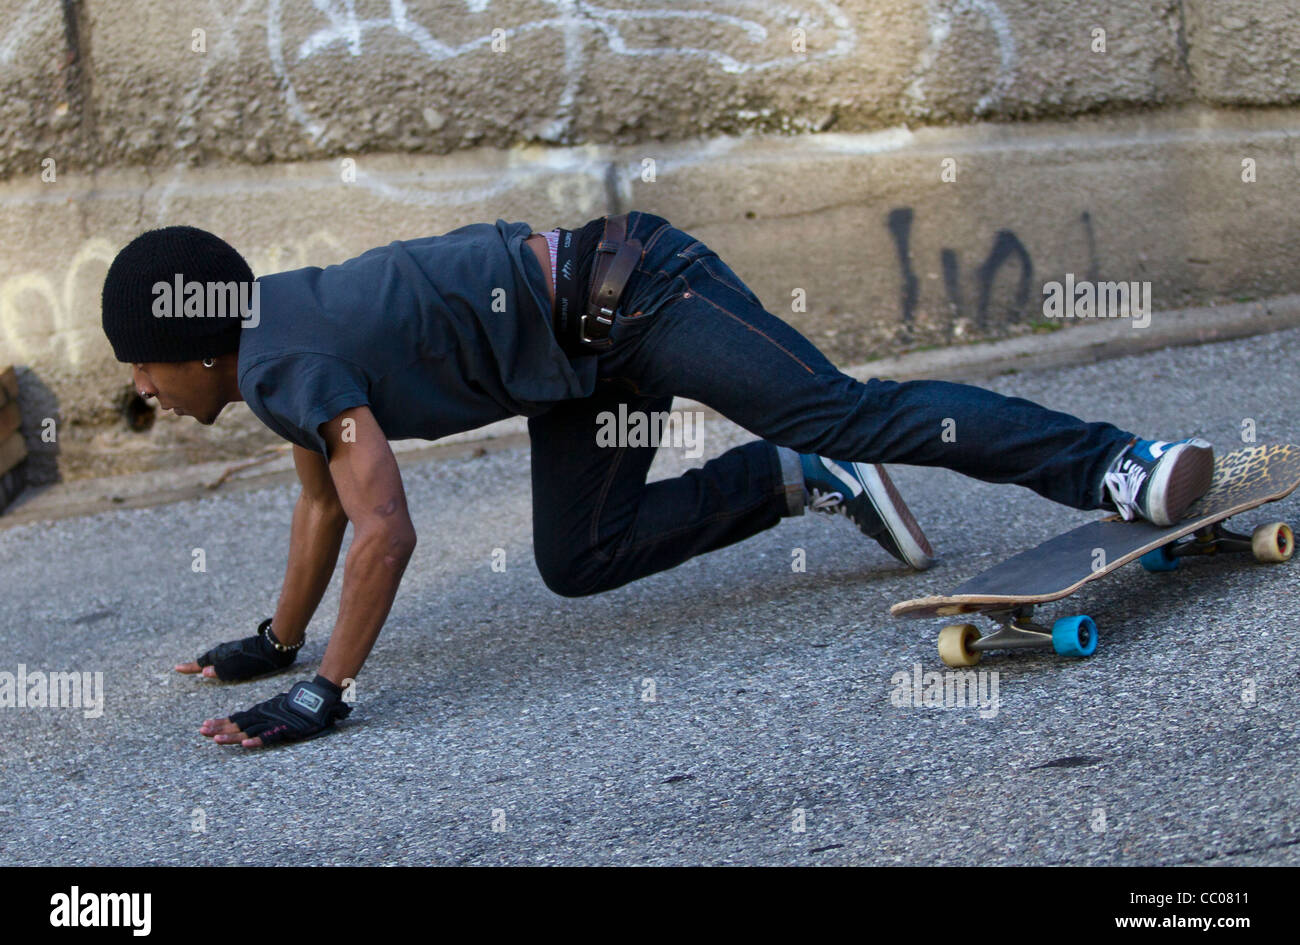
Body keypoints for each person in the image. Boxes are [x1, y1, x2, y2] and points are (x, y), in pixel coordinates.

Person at [99, 210, 1214, 748]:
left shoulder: (286, 356)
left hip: (637, 293)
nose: (143, 391)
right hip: (575, 367)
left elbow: (385, 527)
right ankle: (795, 475)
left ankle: (1117, 462)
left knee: (842, 402)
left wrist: (322, 692)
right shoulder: (275, 344)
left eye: (141, 367)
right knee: (578, 556)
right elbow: (320, 500)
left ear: (194, 348)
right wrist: (277, 636)